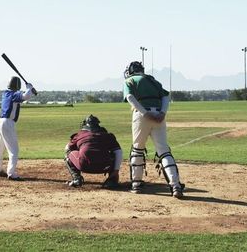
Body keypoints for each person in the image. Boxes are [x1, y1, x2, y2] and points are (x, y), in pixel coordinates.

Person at [123, 61, 184, 198]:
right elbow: (165, 96)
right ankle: (176, 186)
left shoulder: (130, 80)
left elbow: (130, 97)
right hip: (159, 115)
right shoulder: (153, 80)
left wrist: (144, 112)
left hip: (141, 116)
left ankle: (136, 184)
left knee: (138, 149)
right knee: (164, 151)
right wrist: (162, 113)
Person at [64, 115, 123, 189]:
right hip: (104, 166)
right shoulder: (108, 135)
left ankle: (77, 179)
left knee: (69, 153)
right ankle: (112, 181)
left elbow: (67, 148)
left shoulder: (79, 135)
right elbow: (118, 152)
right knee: (114, 154)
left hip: (84, 166)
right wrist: (116, 170)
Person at [0, 76, 36, 181]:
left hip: (0, 122)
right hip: (8, 123)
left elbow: (23, 96)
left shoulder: (5, 93)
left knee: (1, 148)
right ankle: (11, 173)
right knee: (14, 150)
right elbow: (25, 96)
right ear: (17, 85)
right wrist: (30, 88)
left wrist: (30, 91)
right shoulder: (14, 94)